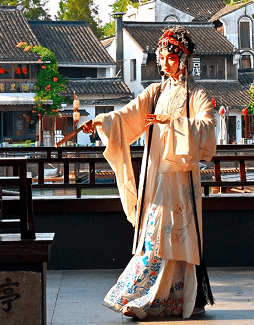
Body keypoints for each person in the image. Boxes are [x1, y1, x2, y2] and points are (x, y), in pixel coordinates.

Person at [81, 26, 216, 320]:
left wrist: (172, 121)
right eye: (163, 58)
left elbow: (207, 127)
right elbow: (127, 116)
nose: (166, 63)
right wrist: (101, 122)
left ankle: (165, 299)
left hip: (180, 178)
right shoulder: (155, 92)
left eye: (172, 57)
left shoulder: (196, 93)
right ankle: (149, 295)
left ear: (185, 58)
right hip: (155, 175)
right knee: (153, 233)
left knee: (173, 234)